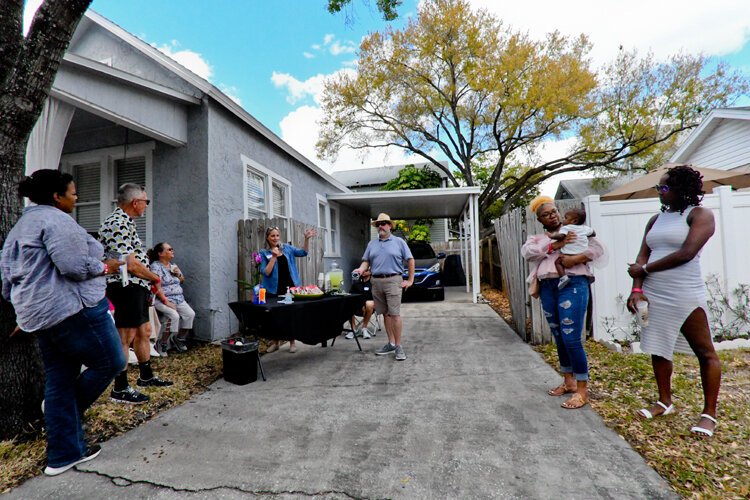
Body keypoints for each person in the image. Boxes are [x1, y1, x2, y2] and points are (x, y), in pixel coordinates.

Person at [0, 169, 126, 476]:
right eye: (72, 192)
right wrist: (106, 266)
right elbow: (73, 266)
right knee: (111, 362)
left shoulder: (22, 225)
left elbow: (6, 279)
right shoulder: (56, 220)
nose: (76, 197)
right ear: (57, 196)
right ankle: (61, 413)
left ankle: (64, 455)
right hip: (73, 309)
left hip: (39, 317)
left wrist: (22, 309)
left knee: (59, 379)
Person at [626, 164, 720, 437]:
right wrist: (636, 289)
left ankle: (709, 414)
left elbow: (687, 253)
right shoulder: (656, 219)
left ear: (681, 190)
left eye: (664, 187)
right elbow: (642, 255)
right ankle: (664, 402)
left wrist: (643, 271)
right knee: (659, 347)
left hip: (683, 290)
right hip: (654, 290)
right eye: (658, 187)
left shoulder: (700, 215)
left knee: (705, 351)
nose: (659, 192)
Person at [521, 196, 605, 409]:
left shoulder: (576, 230)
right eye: (546, 214)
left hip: (573, 284)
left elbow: (597, 250)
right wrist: (555, 245)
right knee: (558, 336)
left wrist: (573, 259)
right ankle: (568, 382)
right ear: (540, 219)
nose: (552, 215)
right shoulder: (539, 239)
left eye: (554, 211)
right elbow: (528, 253)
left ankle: (582, 390)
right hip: (548, 287)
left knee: (571, 338)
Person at [100, 183, 172, 405]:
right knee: (126, 336)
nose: (146, 206)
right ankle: (120, 388)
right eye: (146, 201)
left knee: (144, 331)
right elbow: (128, 265)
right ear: (135, 202)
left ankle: (145, 376)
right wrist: (154, 277)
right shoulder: (118, 223)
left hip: (136, 285)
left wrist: (147, 278)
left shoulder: (126, 222)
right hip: (126, 286)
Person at [353, 213, 414, 361]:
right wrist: (360, 270)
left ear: (390, 226)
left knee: (395, 314)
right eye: (379, 224)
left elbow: (410, 260)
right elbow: (366, 261)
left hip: (393, 280)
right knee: (385, 314)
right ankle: (391, 343)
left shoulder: (399, 242)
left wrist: (410, 280)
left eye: (384, 223)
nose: (381, 226)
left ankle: (399, 346)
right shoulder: (371, 244)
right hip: (376, 282)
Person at [260, 226, 317, 353]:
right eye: (272, 236)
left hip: (289, 288)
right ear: (267, 238)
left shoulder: (287, 248)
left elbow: (303, 252)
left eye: (277, 235)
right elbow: (266, 272)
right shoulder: (264, 253)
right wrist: (274, 257)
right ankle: (276, 342)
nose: (275, 238)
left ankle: (292, 342)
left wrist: (306, 239)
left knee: (290, 315)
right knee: (274, 317)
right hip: (273, 290)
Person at [147, 242, 195, 356]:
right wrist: (166, 301)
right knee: (174, 316)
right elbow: (155, 286)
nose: (172, 251)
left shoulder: (172, 265)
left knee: (190, 314)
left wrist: (178, 274)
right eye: (169, 249)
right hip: (162, 299)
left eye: (172, 249)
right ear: (160, 253)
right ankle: (162, 343)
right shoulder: (156, 266)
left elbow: (182, 280)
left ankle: (179, 339)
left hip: (179, 298)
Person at [549, 208, 596, 289]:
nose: (563, 220)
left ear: (574, 221)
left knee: (558, 262)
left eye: (566, 218)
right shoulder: (585, 228)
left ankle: (563, 278)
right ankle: (589, 275)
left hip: (568, 253)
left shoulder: (566, 228)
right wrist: (583, 235)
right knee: (583, 264)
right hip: (581, 252)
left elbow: (561, 237)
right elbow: (594, 233)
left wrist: (552, 236)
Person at [346, 269, 376, 339]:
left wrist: (365, 304)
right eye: (362, 271)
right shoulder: (356, 282)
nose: (363, 272)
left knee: (369, 303)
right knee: (347, 304)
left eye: (366, 270)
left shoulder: (373, 283)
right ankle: (354, 329)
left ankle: (364, 328)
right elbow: (351, 294)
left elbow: (376, 297)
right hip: (357, 306)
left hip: (369, 307)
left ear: (370, 272)